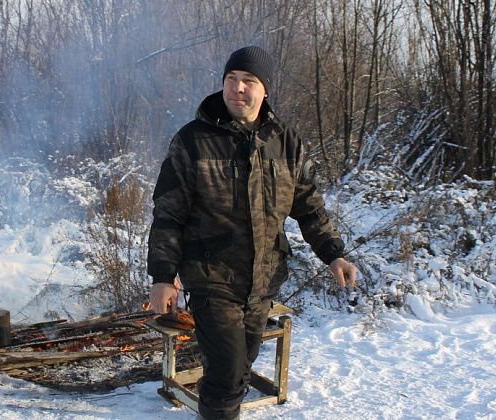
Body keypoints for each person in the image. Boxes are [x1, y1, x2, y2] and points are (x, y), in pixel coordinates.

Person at [147, 46, 358, 420]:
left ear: (264, 90)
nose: (237, 88)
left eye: (248, 81)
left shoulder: (286, 142)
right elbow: (168, 214)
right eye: (231, 79)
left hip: (263, 281)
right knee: (228, 374)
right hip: (212, 278)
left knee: (239, 371)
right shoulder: (193, 141)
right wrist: (164, 276)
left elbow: (309, 206)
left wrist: (333, 253)